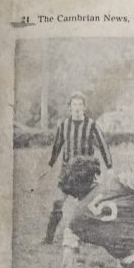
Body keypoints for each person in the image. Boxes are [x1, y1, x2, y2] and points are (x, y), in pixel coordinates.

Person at [42, 92, 113, 244]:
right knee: (57, 202)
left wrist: (110, 167)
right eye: (74, 105)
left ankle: (102, 237)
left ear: (84, 107)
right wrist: (50, 164)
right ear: (69, 108)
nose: (77, 108)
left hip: (86, 173)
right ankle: (48, 239)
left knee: (93, 205)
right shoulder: (64, 125)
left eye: (80, 105)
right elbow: (57, 146)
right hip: (68, 172)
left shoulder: (92, 125)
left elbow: (103, 145)